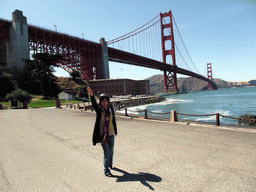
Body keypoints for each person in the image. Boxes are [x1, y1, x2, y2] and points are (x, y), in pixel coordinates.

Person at [87, 87, 117, 177]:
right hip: (102, 135)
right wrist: (92, 95)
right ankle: (106, 169)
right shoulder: (99, 110)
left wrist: (116, 130)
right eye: (102, 101)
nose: (104, 103)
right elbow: (93, 103)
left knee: (111, 151)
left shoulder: (110, 109)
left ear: (108, 101)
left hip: (111, 134)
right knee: (106, 152)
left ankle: (109, 164)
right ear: (100, 102)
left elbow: (113, 120)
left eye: (106, 101)